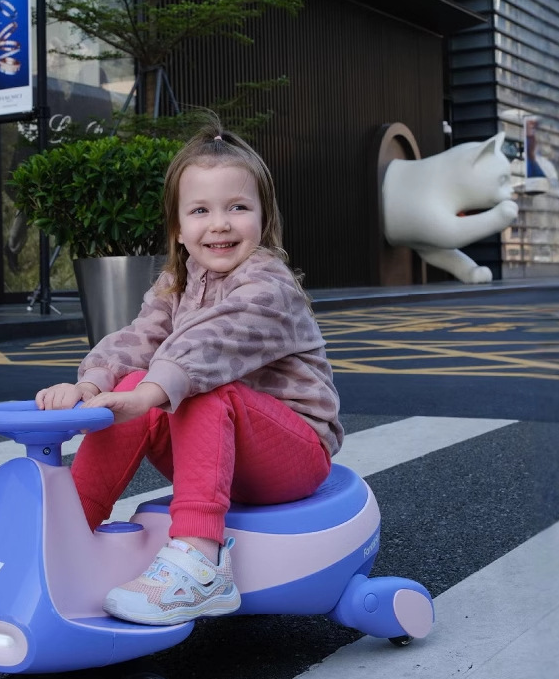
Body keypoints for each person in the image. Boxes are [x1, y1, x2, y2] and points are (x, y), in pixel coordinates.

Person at [36, 124, 343, 625]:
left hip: (294, 452)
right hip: (220, 453)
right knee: (135, 385)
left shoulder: (269, 285)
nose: (219, 224)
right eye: (200, 210)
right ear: (178, 227)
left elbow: (211, 345)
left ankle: (202, 564)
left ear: (263, 220)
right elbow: (140, 338)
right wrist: (91, 384)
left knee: (196, 389)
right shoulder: (177, 282)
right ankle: (71, 533)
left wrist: (155, 392)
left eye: (237, 208)